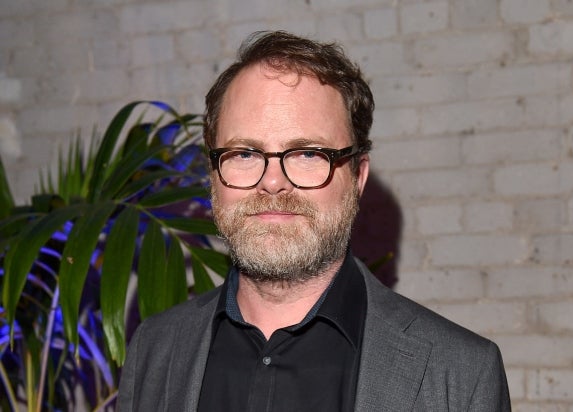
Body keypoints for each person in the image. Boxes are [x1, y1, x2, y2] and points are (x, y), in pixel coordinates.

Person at [117, 30, 511, 411]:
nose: (273, 182)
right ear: (213, 175)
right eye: (245, 154)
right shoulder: (154, 350)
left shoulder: (461, 375)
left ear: (357, 177)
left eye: (308, 154)